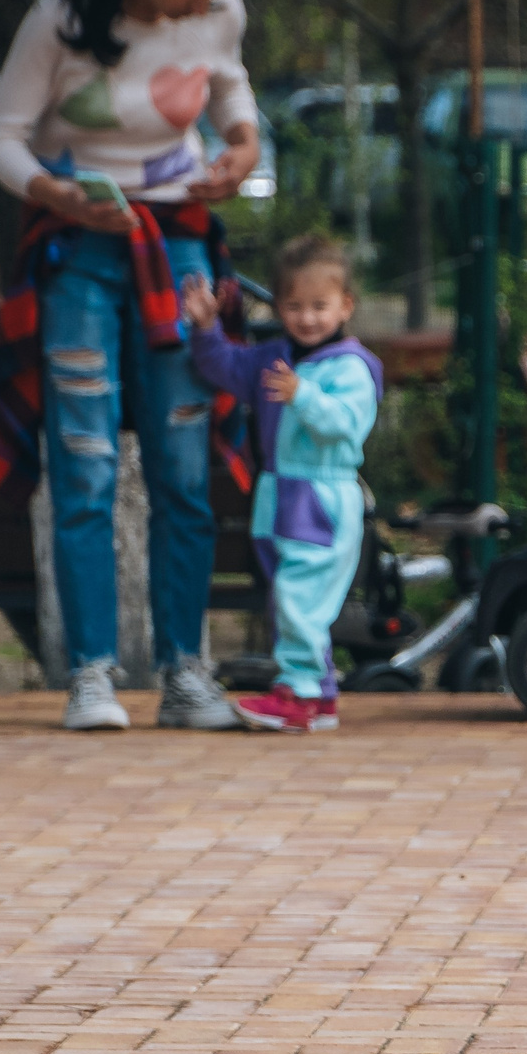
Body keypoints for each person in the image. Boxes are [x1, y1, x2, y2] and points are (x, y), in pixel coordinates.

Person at [0, 0, 260, 732]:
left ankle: (185, 674)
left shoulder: (218, 11)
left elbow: (231, 87)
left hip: (178, 241)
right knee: (86, 462)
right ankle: (91, 673)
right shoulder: (62, 15)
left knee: (181, 468)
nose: (200, 6)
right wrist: (58, 198)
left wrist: (241, 146)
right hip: (81, 249)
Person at [180, 234, 381, 734]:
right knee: (290, 596)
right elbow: (223, 366)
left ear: (345, 306)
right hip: (278, 493)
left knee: (299, 596)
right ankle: (320, 696)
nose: (307, 317)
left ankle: (300, 693)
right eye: (294, 306)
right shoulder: (273, 358)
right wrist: (205, 327)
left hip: (322, 495)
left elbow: (345, 424)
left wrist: (303, 396)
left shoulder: (351, 366)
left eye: (319, 306)